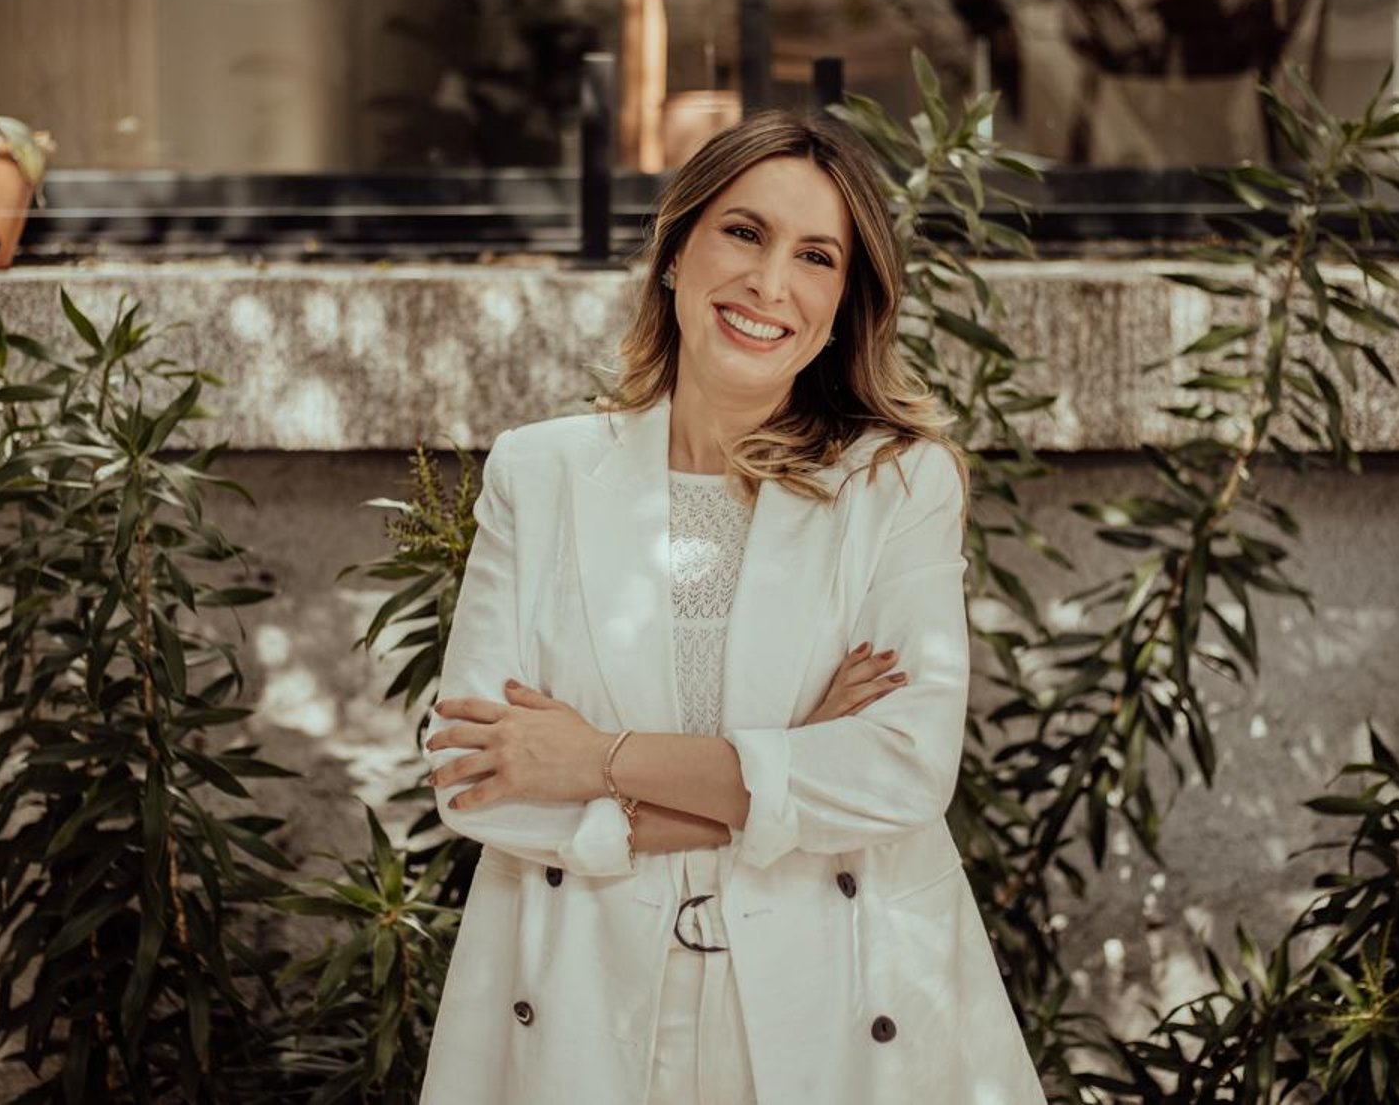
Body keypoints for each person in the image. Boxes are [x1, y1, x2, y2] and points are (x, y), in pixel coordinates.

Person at [415, 111, 1047, 1105]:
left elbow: (901, 771)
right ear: (677, 253)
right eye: (744, 233)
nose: (769, 284)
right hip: (587, 998)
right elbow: (475, 777)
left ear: (842, 305)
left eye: (816, 256)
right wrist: (793, 752)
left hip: (829, 996)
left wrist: (594, 759)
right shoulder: (541, 474)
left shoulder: (897, 486)